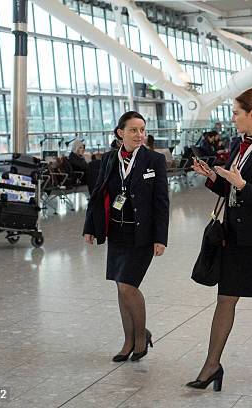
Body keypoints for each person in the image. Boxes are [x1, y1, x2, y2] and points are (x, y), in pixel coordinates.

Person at [189, 88, 252, 391]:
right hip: (234, 236)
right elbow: (229, 191)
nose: (232, 118)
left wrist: (242, 184)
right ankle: (211, 366)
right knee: (225, 298)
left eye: (236, 112)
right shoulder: (239, 146)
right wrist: (211, 177)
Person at [83, 111, 169, 363]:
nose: (140, 135)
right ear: (120, 133)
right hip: (117, 233)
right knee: (120, 288)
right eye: (133, 130)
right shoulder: (109, 159)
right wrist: (90, 227)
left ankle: (140, 337)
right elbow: (97, 195)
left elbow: (161, 201)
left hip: (141, 233)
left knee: (128, 285)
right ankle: (128, 339)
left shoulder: (154, 160)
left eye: (142, 130)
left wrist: (160, 237)